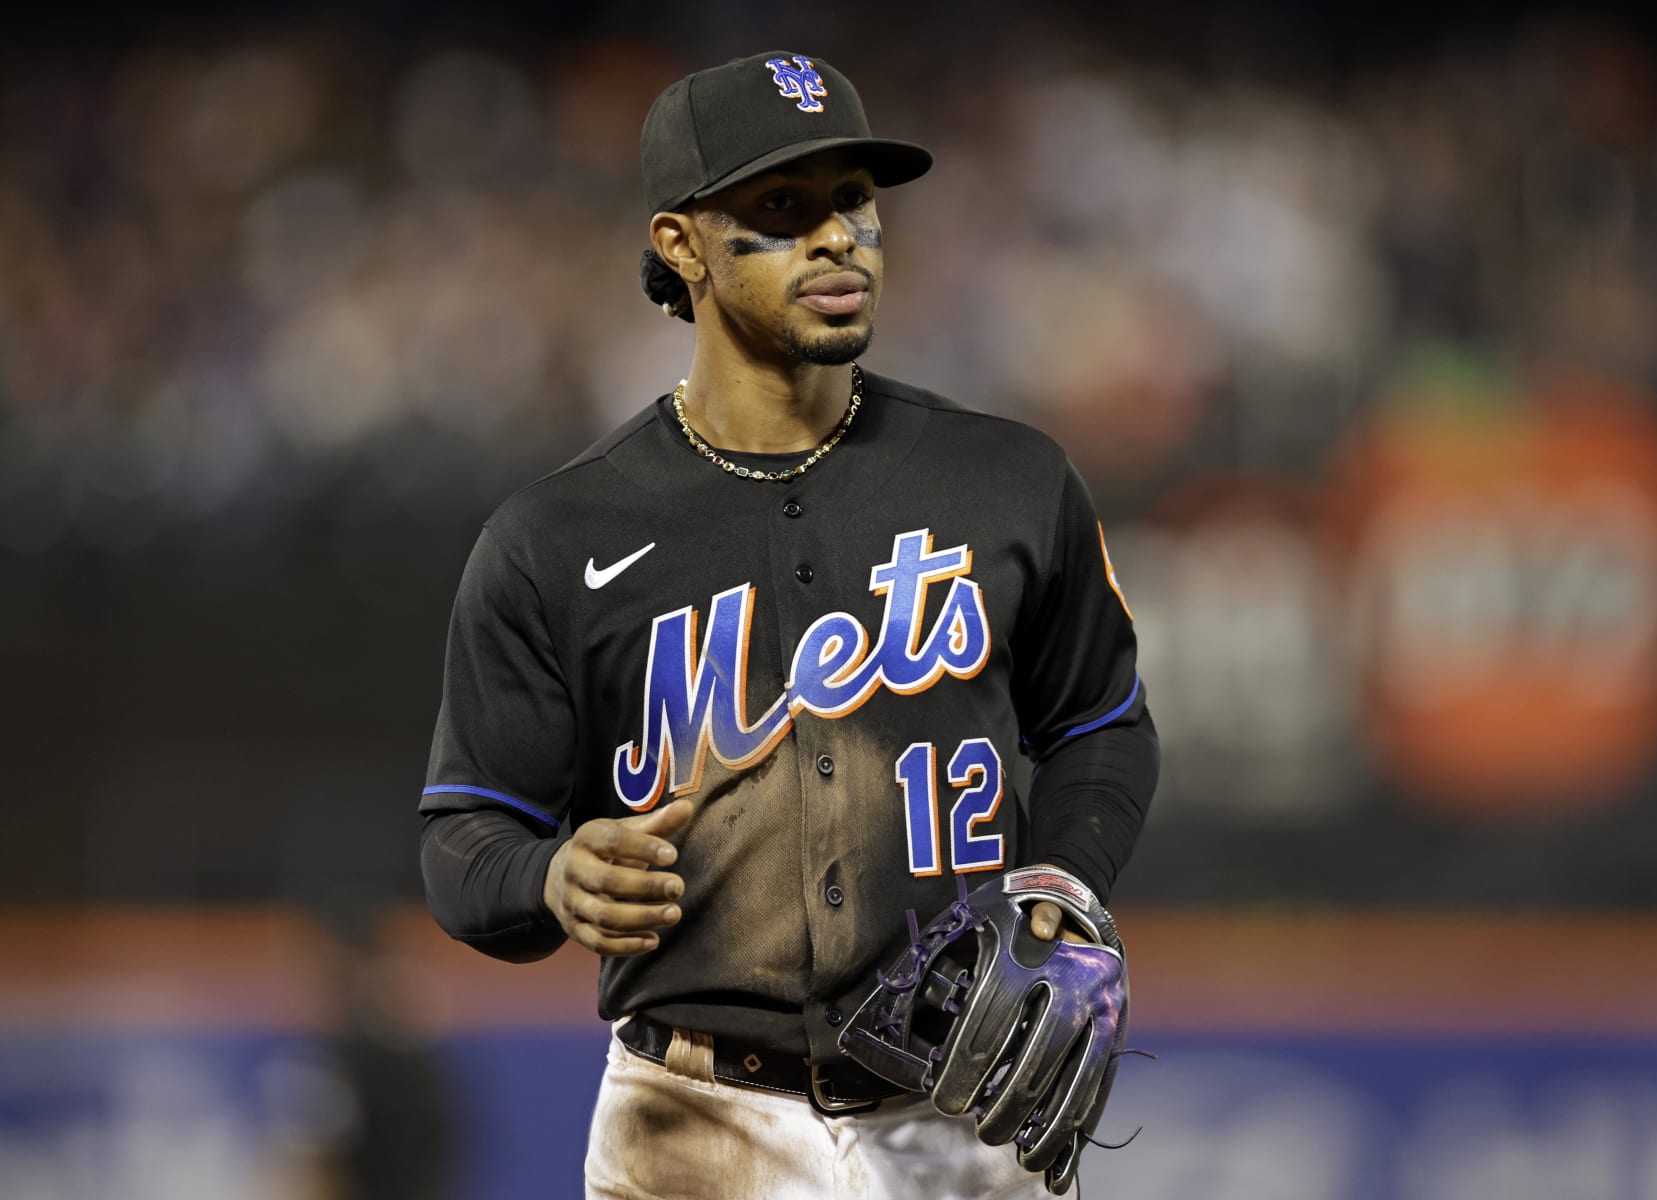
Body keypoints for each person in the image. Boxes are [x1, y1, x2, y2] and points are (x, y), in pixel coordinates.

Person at [417, 50, 1157, 1199]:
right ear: (682, 244)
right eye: (781, 209)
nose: (837, 238)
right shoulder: (557, 537)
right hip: (692, 1121)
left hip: (962, 1112)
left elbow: (1102, 724)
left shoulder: (1007, 481)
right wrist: (549, 876)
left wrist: (1065, 882)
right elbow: (465, 838)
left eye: (852, 199)